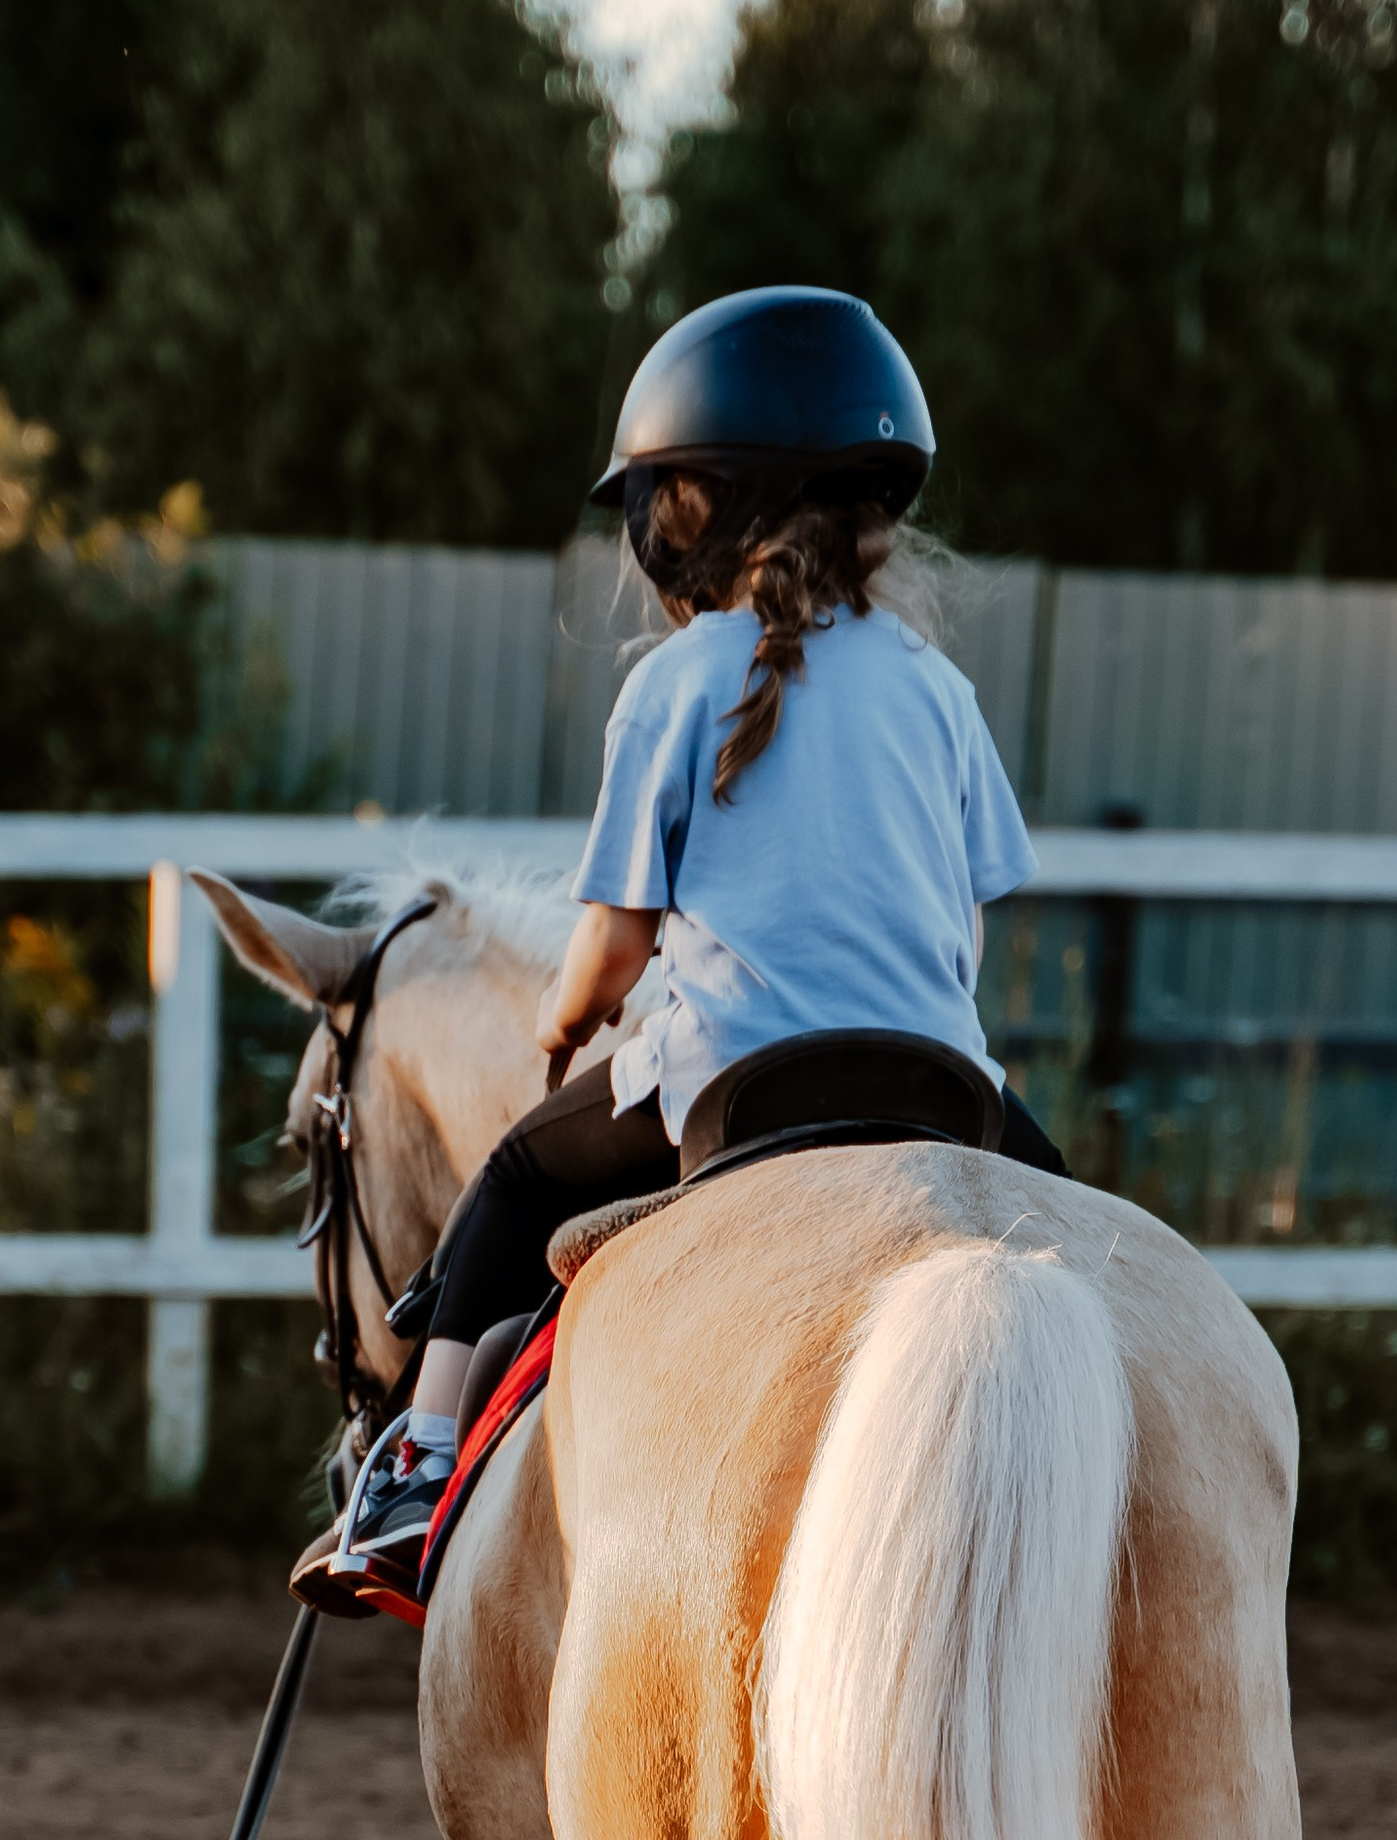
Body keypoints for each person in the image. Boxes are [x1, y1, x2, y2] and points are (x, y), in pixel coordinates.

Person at [329, 282, 1051, 1593]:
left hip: (733, 1091)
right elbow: (969, 924)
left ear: (691, 509)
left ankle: (415, 1474)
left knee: (509, 1188)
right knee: (1084, 1229)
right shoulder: (939, 692)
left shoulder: (672, 686)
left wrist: (559, 1029)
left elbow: (610, 957)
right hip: (940, 1088)